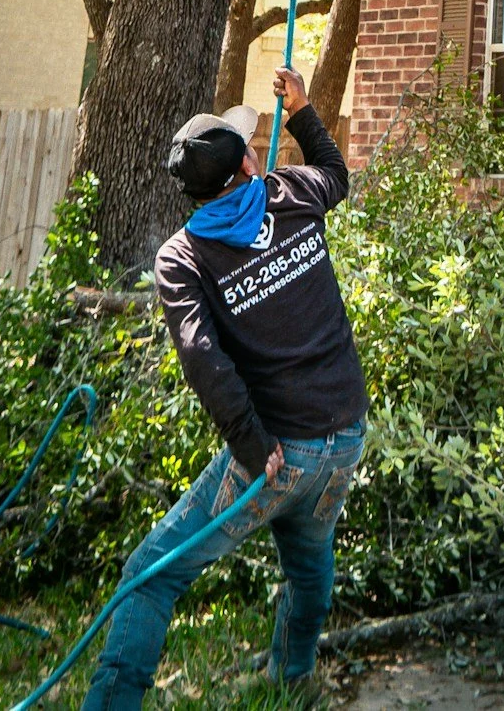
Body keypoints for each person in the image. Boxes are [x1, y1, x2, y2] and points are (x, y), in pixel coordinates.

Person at [82, 70, 367, 711]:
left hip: (278, 455)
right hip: (346, 435)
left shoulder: (182, 258)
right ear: (247, 160)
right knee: (309, 562)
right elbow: (336, 174)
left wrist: (251, 445)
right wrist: (302, 112)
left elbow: (203, 359)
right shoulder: (289, 193)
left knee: (150, 576)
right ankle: (293, 682)